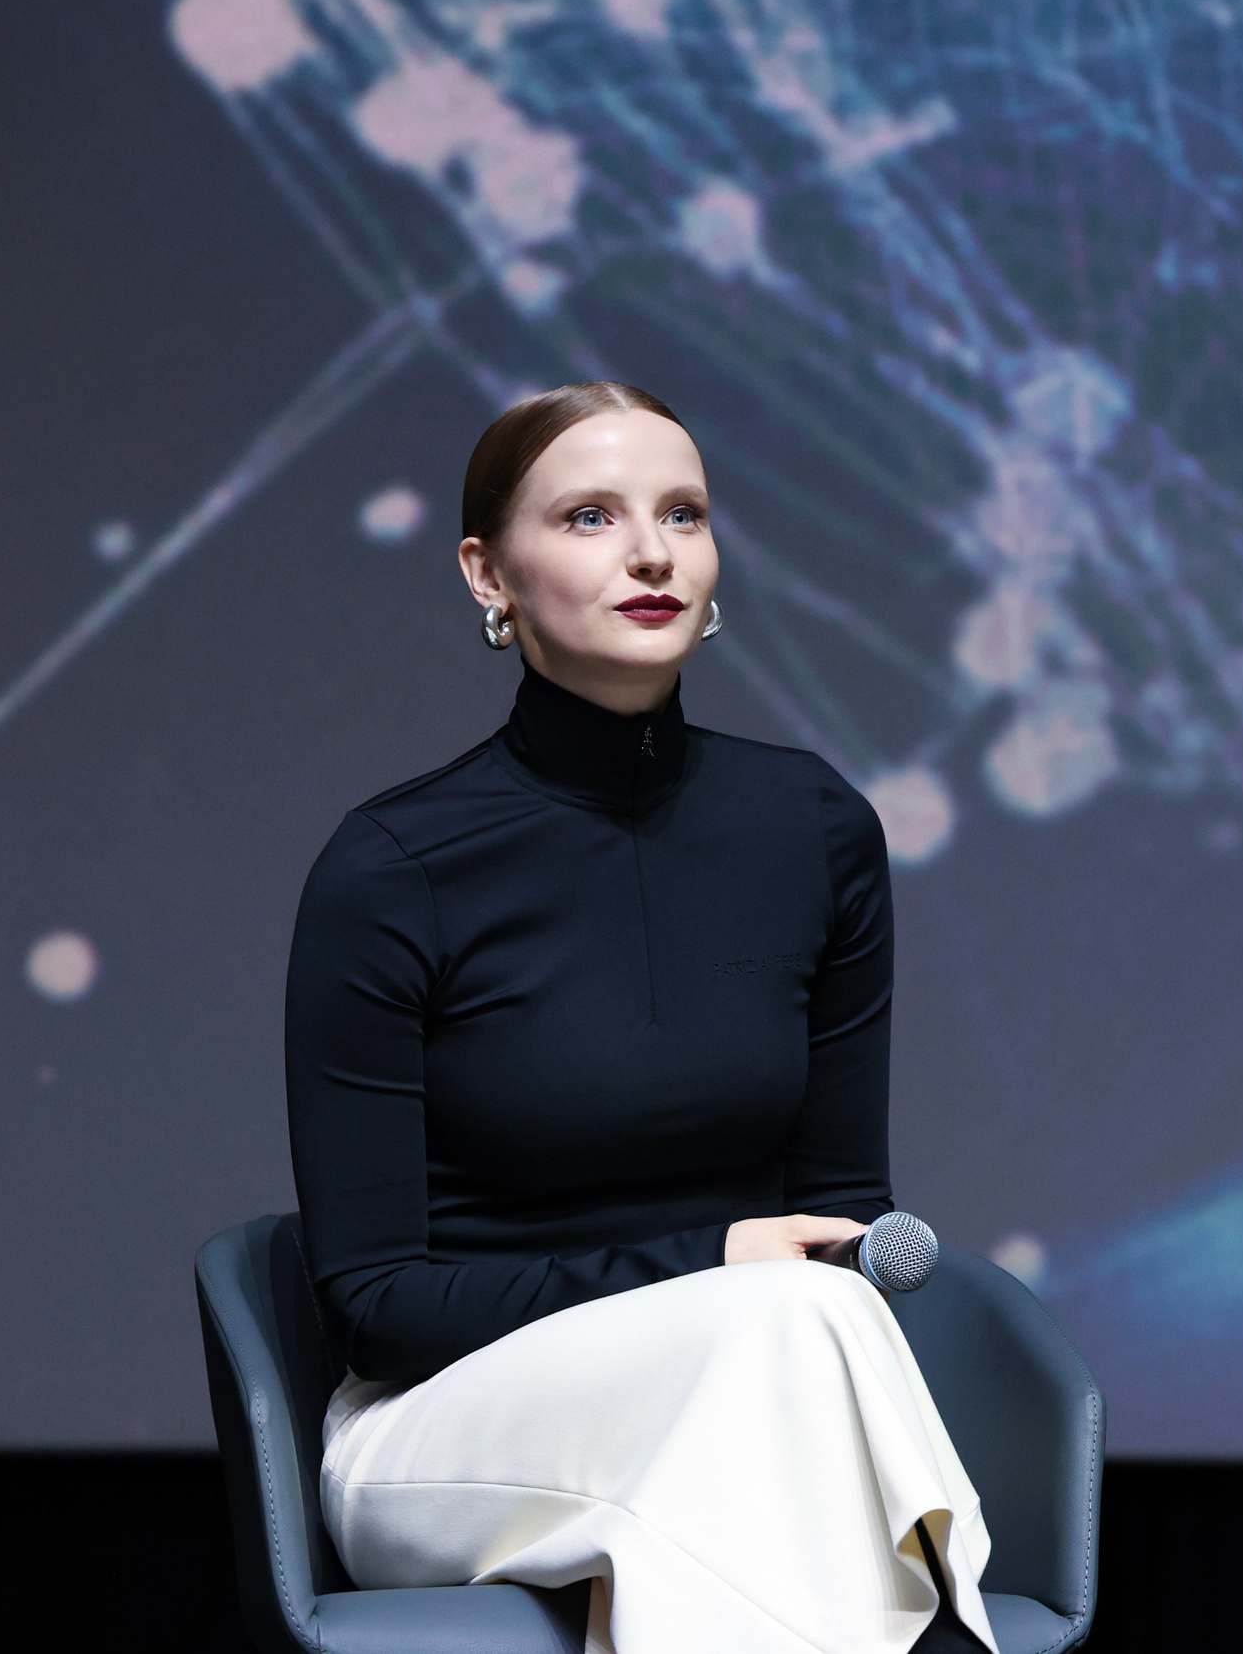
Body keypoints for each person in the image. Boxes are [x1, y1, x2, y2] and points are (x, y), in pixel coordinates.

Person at [285, 382, 992, 1654]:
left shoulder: (816, 830)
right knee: (795, 1332)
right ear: (487, 572)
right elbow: (373, 1306)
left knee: (790, 1360)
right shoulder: (393, 867)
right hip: (444, 1430)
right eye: (591, 516)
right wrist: (702, 1269)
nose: (653, 551)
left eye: (683, 513)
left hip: (750, 1399)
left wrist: (749, 1290)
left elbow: (844, 1213)